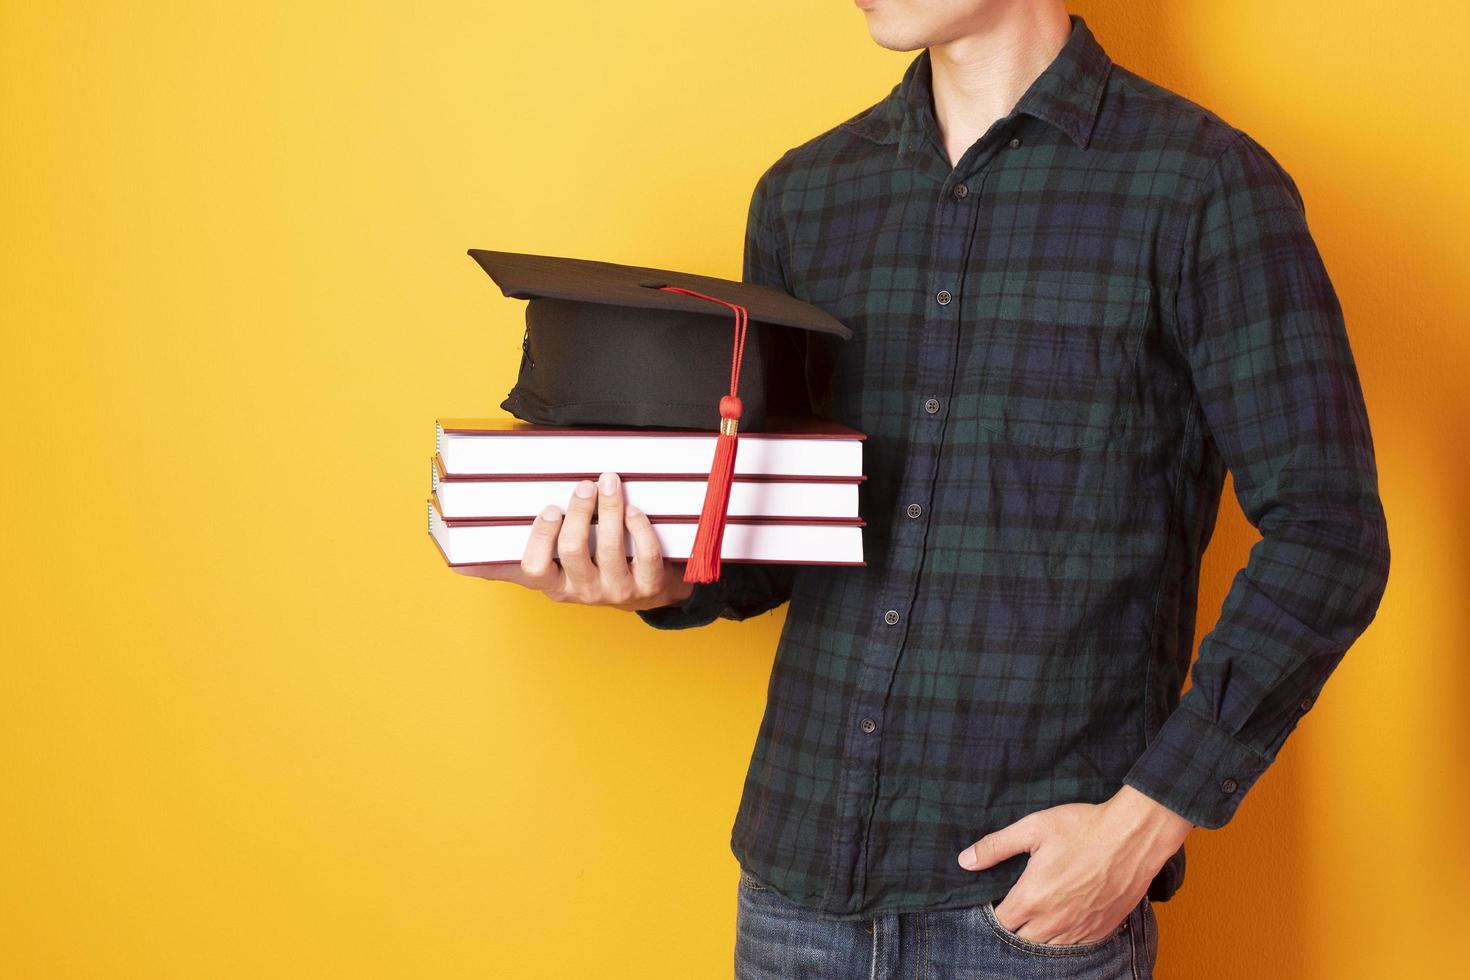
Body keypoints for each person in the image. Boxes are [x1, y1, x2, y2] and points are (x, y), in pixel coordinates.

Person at [457, 2, 1390, 976]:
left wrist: (1145, 824)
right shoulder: (806, 195)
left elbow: (1329, 531)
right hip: (794, 889)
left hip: (1028, 913)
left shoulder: (1203, 188)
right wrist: (648, 576)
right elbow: (786, 533)